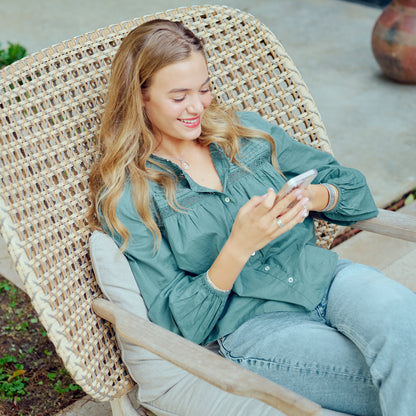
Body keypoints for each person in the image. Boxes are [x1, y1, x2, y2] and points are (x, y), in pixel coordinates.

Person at [88, 19, 416, 416]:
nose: (198, 106)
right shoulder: (130, 195)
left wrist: (314, 195)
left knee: (403, 323)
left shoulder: (245, 132)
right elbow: (178, 326)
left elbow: (353, 192)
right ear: (140, 97)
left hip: (328, 281)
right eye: (179, 97)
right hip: (258, 328)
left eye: (204, 89)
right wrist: (238, 246)